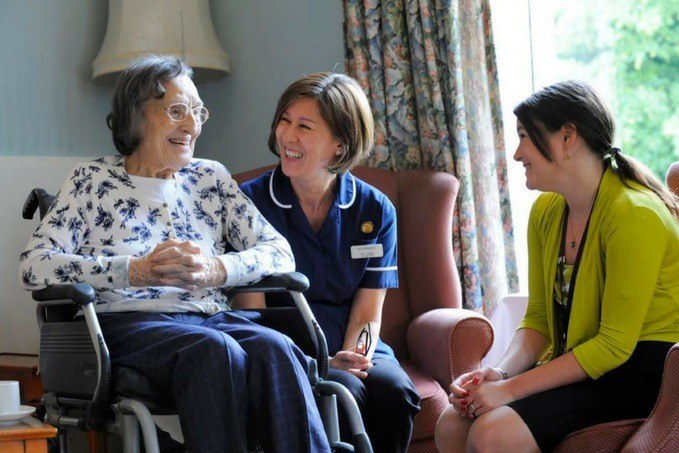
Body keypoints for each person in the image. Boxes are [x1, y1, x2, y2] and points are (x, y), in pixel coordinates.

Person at [19, 55, 330, 453]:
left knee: (278, 348)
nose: (192, 125)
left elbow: (279, 253)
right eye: (177, 111)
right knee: (216, 353)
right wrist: (136, 271)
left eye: (197, 111)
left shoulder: (210, 178)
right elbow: (34, 266)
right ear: (136, 115)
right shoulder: (91, 180)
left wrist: (217, 269)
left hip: (212, 317)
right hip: (130, 324)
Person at [435, 80, 679, 452]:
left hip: (646, 371)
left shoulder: (635, 215)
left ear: (568, 137)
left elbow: (613, 346)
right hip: (587, 359)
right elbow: (538, 318)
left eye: (524, 136)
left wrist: (509, 391)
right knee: (453, 420)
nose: (517, 153)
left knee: (493, 432)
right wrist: (498, 374)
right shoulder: (546, 211)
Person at [237, 72, 421, 452]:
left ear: (339, 145)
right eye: (284, 121)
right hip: (284, 348)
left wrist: (354, 357)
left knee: (396, 391)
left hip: (354, 339)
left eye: (304, 126)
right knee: (340, 392)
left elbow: (369, 311)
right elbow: (248, 313)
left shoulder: (374, 209)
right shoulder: (248, 204)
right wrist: (317, 362)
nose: (287, 136)